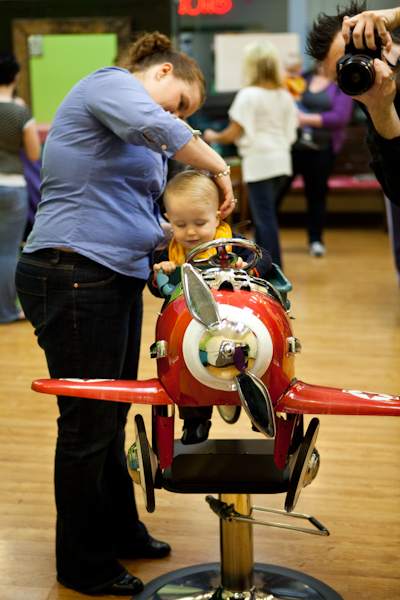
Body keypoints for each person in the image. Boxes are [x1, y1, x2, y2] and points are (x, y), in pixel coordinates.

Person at [15, 32, 234, 597]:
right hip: (73, 274)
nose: (178, 117)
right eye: (181, 101)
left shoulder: (134, 132)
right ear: (162, 72)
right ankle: (83, 565)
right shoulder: (108, 84)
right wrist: (219, 169)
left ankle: (120, 530)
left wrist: (182, 235)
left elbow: (128, 209)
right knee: (87, 426)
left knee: (111, 415)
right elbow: (165, 130)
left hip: (106, 277)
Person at [148, 170, 272, 444]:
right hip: (191, 324)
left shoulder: (234, 244)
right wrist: (163, 271)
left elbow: (264, 259)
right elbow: (155, 288)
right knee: (182, 363)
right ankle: (194, 420)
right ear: (168, 221)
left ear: (217, 217)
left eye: (200, 222)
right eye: (180, 225)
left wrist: (247, 266)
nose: (190, 232)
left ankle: (262, 407)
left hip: (239, 319)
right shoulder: (168, 253)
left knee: (263, 355)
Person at [203, 41, 299, 267]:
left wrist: (211, 135)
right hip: (283, 163)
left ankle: (270, 268)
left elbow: (231, 134)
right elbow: (292, 133)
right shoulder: (284, 95)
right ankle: (265, 263)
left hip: (259, 163)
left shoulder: (247, 95)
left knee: (264, 220)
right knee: (268, 217)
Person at [305, 2, 400, 206]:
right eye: (344, 77)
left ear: (381, 39)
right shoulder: (374, 113)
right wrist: (382, 112)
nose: (357, 73)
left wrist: (396, 14)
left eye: (354, 58)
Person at [276, 62, 354, 257]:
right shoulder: (304, 77)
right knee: (276, 191)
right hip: (293, 148)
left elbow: (339, 118)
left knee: (316, 195)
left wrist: (304, 119)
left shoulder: (341, 85)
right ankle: (264, 237)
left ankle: (315, 240)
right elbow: (284, 90)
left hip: (322, 150)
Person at [0, 52, 41, 323]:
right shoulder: (20, 112)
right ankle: (7, 311)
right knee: (7, 251)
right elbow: (34, 154)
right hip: (11, 185)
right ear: (16, 77)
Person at [283, 52, 319, 150]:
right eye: (289, 71)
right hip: (287, 104)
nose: (291, 74)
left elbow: (300, 89)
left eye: (294, 71)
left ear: (299, 69)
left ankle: (306, 136)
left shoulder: (300, 80)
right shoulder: (283, 79)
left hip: (296, 104)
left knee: (305, 114)